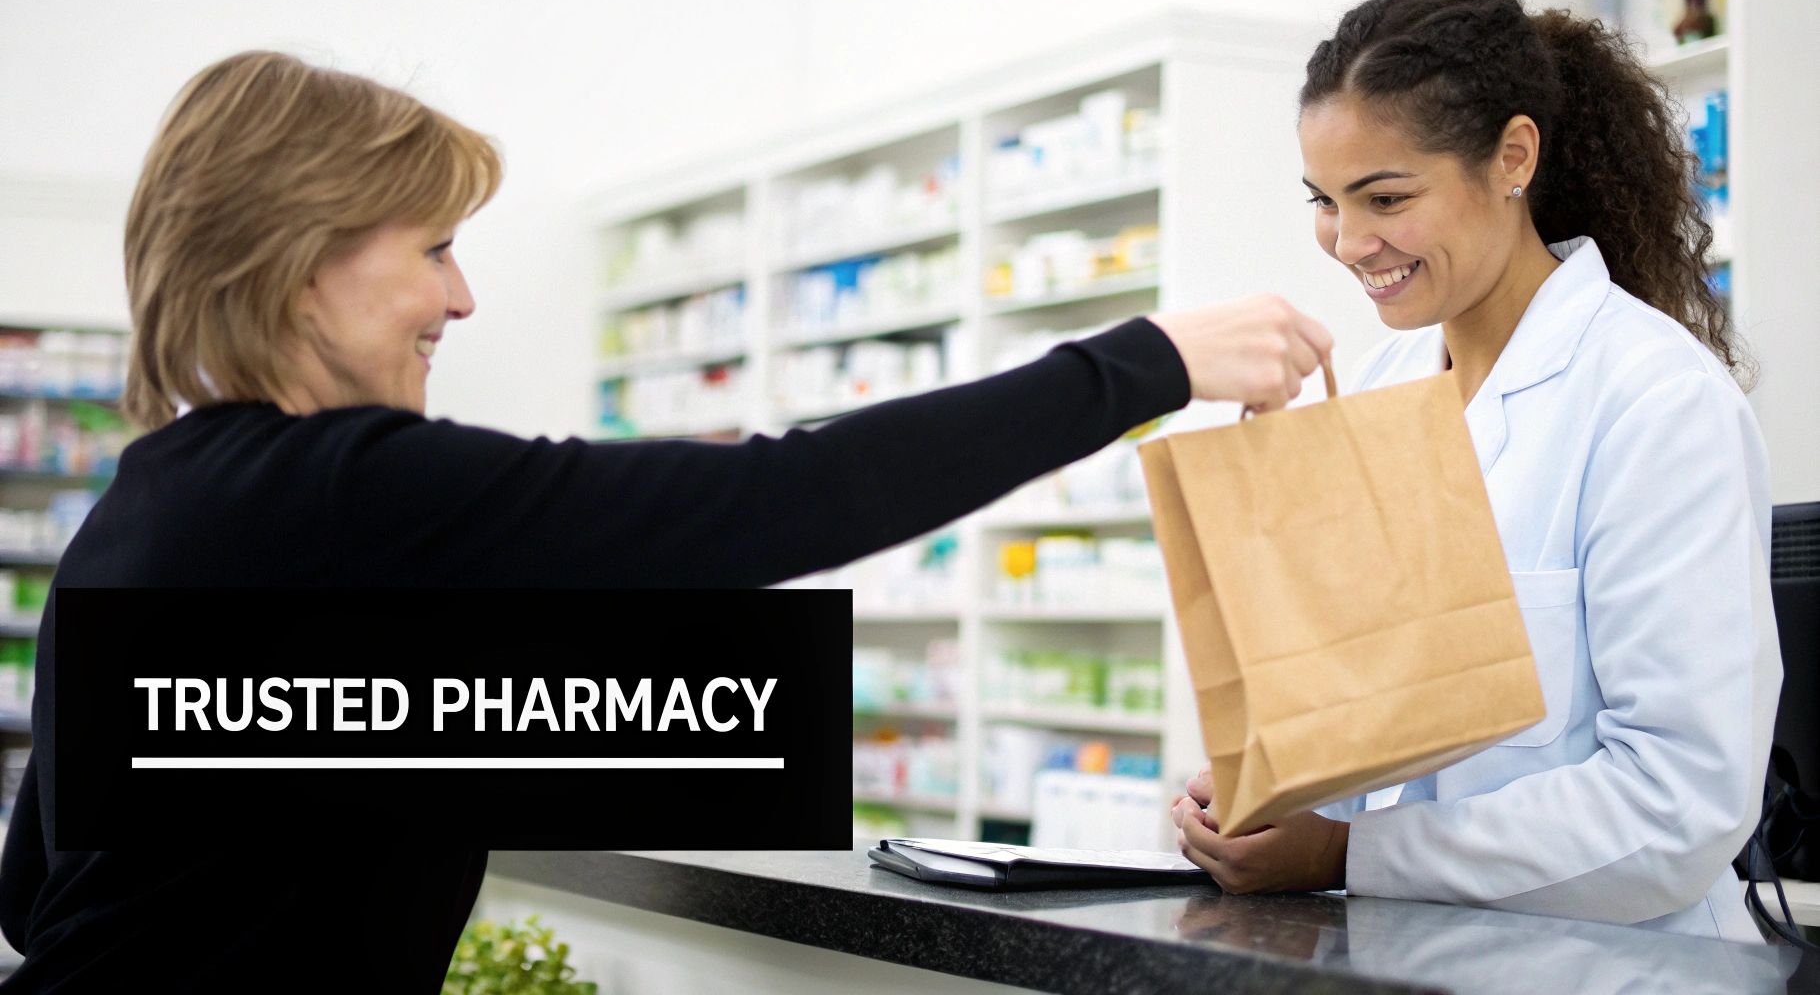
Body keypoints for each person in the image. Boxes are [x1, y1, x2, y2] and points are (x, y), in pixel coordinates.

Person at [0, 52, 1332, 992]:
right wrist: (1146, 361)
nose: (460, 300)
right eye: (433, 248)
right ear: (299, 262)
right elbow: (776, 500)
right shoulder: (347, 481)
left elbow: (36, 886)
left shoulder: (151, 497)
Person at [1171, 0, 1779, 943]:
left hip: (1621, 967)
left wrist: (1341, 854)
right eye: (1324, 201)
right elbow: (1372, 722)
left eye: (1385, 197)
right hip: (1406, 949)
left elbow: (1679, 804)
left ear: (1513, 158)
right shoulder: (1383, 383)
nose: (1348, 241)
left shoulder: (1654, 400)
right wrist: (1267, 789)